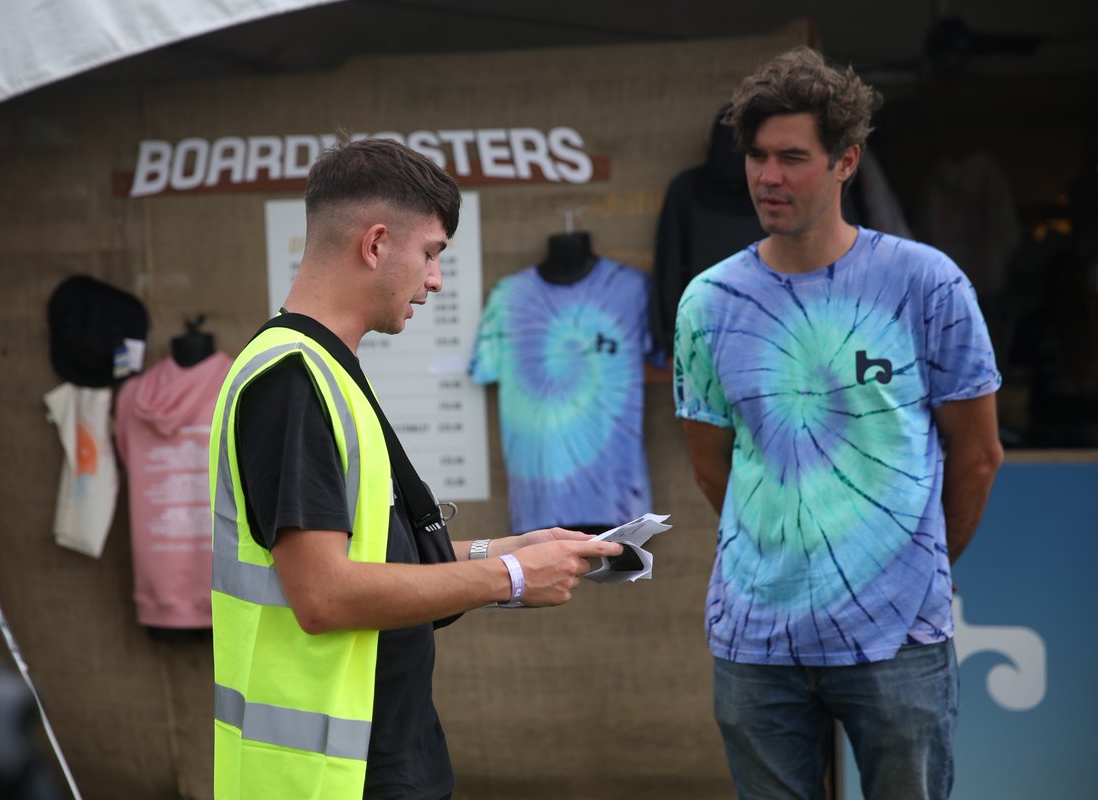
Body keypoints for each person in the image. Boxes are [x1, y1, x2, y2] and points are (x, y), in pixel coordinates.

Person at [208, 138, 623, 800]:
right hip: (329, 779)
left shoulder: (321, 369)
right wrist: (511, 578)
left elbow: (375, 557)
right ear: (375, 245)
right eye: (431, 253)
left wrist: (507, 550)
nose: (435, 280)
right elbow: (324, 594)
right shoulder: (292, 380)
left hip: (374, 761)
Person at [673, 47, 1004, 800]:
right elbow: (709, 463)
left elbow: (978, 454)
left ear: (846, 161)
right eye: (757, 156)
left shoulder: (926, 283)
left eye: (792, 157)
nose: (769, 177)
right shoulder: (709, 302)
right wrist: (782, 556)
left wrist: (913, 566)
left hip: (897, 637)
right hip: (756, 638)